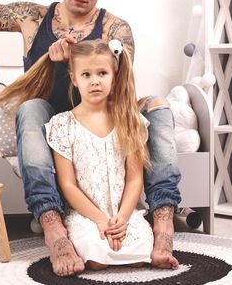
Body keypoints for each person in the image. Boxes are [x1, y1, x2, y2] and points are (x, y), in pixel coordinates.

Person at [0, 0, 181, 277]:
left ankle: (163, 223)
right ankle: (53, 227)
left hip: (102, 114)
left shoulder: (115, 30)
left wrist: (88, 59)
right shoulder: (32, 17)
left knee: (160, 107)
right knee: (30, 109)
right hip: (53, 116)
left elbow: (120, 86)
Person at [45, 38, 153, 270]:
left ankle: (124, 233)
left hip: (123, 213)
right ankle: (98, 241)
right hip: (86, 215)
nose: (95, 81)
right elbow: (68, 185)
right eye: (86, 75)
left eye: (102, 73)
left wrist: (121, 219)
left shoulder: (129, 122)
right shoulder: (62, 125)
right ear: (74, 78)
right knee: (95, 259)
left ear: (114, 77)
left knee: (141, 255)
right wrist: (101, 220)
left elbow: (135, 179)